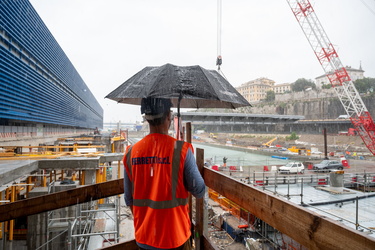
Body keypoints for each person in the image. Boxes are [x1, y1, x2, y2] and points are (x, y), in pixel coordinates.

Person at [123, 97, 206, 250]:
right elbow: (199, 190)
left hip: (145, 237)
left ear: (146, 118)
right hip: (175, 237)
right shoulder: (181, 150)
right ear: (168, 116)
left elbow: (129, 199)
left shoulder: (131, 153)